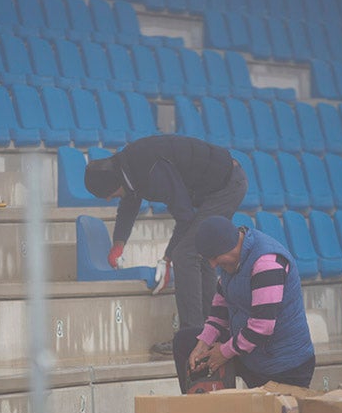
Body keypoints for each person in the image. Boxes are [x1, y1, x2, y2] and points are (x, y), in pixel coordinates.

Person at [83, 135, 248, 354]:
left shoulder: (151, 170)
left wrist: (167, 258)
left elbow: (185, 216)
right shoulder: (127, 167)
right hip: (219, 184)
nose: (107, 199)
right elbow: (129, 203)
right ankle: (213, 332)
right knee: (201, 254)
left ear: (113, 184)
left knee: (185, 254)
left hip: (225, 187)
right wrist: (118, 244)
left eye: (108, 195)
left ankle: (193, 338)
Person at [172, 215, 315, 392]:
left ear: (230, 246)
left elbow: (262, 327)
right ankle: (202, 412)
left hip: (283, 365)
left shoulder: (267, 263)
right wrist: (202, 344)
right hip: (252, 354)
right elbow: (220, 310)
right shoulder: (232, 261)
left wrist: (223, 352)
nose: (213, 264)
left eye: (215, 257)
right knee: (185, 341)